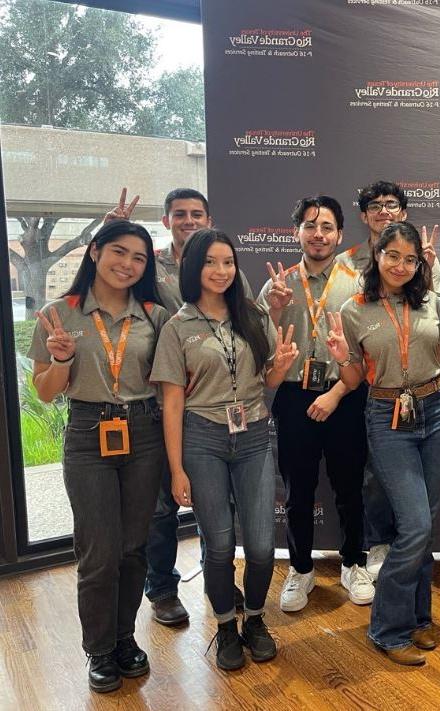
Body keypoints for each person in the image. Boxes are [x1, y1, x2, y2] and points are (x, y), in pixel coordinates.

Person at [28, 220, 170, 693]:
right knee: (98, 552)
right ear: (94, 252)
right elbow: (46, 393)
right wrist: (63, 360)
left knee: (133, 548)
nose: (127, 264)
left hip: (144, 431)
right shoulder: (58, 314)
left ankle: (125, 639)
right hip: (89, 434)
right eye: (118, 252)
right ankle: (99, 649)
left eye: (139, 258)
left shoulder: (154, 313)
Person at [151, 229, 299, 671]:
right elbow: (173, 403)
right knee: (218, 545)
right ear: (193, 268)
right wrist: (176, 469)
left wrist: (280, 370)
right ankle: (225, 627)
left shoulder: (252, 314)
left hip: (253, 435)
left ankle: (254, 619)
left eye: (228, 262)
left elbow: (266, 381)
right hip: (202, 439)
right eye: (210, 263)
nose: (220, 271)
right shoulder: (178, 327)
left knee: (258, 546)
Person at [104, 186, 252, 626]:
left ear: (209, 220)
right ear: (166, 220)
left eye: (197, 214)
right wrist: (112, 232)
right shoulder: (149, 267)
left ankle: (219, 578)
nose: (189, 220)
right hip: (161, 402)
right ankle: (163, 589)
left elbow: (247, 324)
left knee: (214, 502)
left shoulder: (227, 270)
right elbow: (111, 281)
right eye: (180, 214)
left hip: (211, 408)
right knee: (162, 507)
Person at [327, 221, 440, 667]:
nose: (401, 266)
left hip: (436, 410)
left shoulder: (430, 303)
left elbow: (437, 355)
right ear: (376, 256)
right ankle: (386, 628)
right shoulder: (354, 309)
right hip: (386, 416)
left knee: (427, 523)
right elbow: (354, 377)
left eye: (410, 258)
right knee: (415, 525)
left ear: (419, 263)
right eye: (392, 256)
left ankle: (419, 618)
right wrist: (342, 355)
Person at [258, 196, 373, 611]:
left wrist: (336, 392)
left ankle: (354, 562)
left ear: (340, 234)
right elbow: (259, 347)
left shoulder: (358, 283)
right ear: (297, 232)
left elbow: (366, 351)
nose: (319, 234)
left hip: (345, 392)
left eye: (327, 227)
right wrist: (272, 311)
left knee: (349, 487)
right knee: (297, 490)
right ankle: (301, 569)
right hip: (292, 398)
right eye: (310, 225)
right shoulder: (279, 284)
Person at [335, 180, 440, 580]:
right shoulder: (345, 264)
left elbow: (436, 325)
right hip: (372, 388)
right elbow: (353, 322)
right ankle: (380, 546)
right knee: (375, 477)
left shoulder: (425, 261)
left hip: (424, 393)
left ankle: (412, 560)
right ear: (364, 216)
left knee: (421, 501)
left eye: (392, 204)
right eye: (375, 206)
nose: (384, 211)